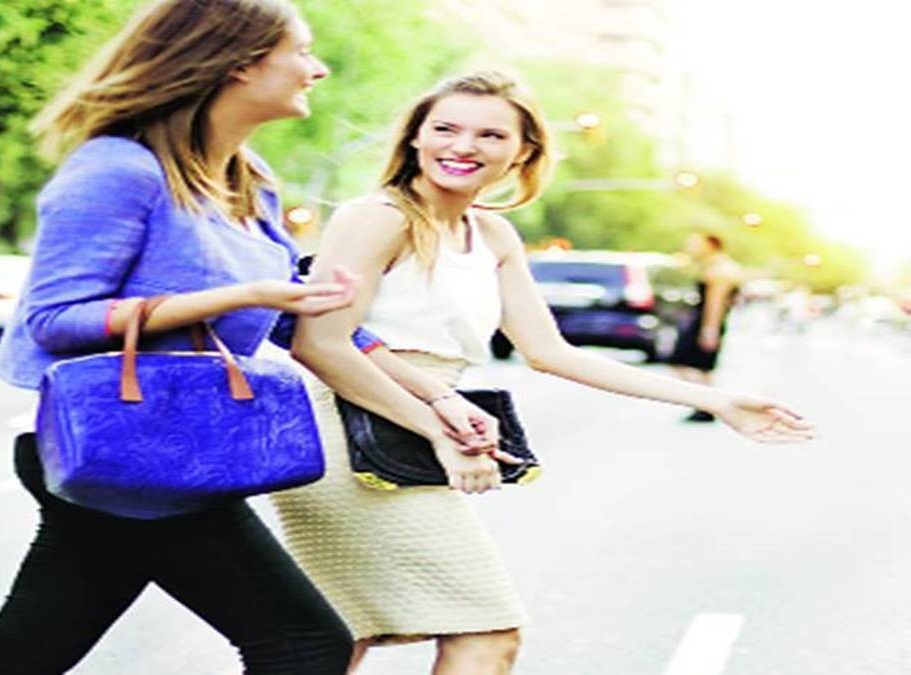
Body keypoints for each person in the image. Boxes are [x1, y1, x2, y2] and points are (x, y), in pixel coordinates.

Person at [0, 1, 472, 672]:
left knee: (21, 656)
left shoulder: (248, 183)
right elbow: (54, 320)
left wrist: (437, 400)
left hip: (175, 451)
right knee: (304, 645)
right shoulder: (117, 169)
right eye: (302, 52)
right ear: (240, 63)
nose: (318, 69)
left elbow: (302, 319)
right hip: (123, 447)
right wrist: (237, 296)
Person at [276, 71, 815, 674]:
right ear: (415, 138)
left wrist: (719, 401)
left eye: (490, 135)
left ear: (523, 152)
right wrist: (437, 429)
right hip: (347, 435)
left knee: (339, 640)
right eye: (445, 129)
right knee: (483, 630)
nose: (463, 147)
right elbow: (321, 344)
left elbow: (551, 352)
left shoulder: (491, 234)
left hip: (413, 426)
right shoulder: (380, 217)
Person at [669, 233, 743, 422]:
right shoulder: (716, 266)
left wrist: (710, 329)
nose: (690, 248)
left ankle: (708, 404)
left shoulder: (720, 270)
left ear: (711, 245)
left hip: (706, 321)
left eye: (695, 244)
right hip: (708, 320)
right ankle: (707, 405)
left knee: (681, 361)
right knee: (702, 367)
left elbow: (716, 302)